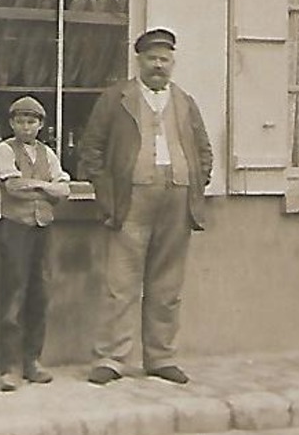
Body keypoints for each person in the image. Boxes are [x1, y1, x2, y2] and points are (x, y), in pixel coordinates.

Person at [78, 27, 212, 386]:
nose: (158, 66)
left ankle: (161, 356)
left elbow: (203, 149)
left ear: (172, 63)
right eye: (151, 58)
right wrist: (106, 195)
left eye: (164, 59)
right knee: (120, 282)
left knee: (167, 285)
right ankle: (112, 358)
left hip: (177, 198)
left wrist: (196, 185)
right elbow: (91, 150)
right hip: (131, 198)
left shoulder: (185, 102)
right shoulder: (116, 98)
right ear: (139, 61)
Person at [0, 95, 72, 392]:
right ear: (12, 123)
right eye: (21, 121)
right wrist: (44, 188)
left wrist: (38, 185)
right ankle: (9, 367)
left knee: (40, 292)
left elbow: (64, 190)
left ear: (40, 125)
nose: (27, 126)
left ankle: (32, 360)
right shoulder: (4, 150)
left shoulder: (48, 154)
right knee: (14, 293)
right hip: (15, 228)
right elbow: (13, 187)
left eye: (32, 121)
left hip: (42, 228)